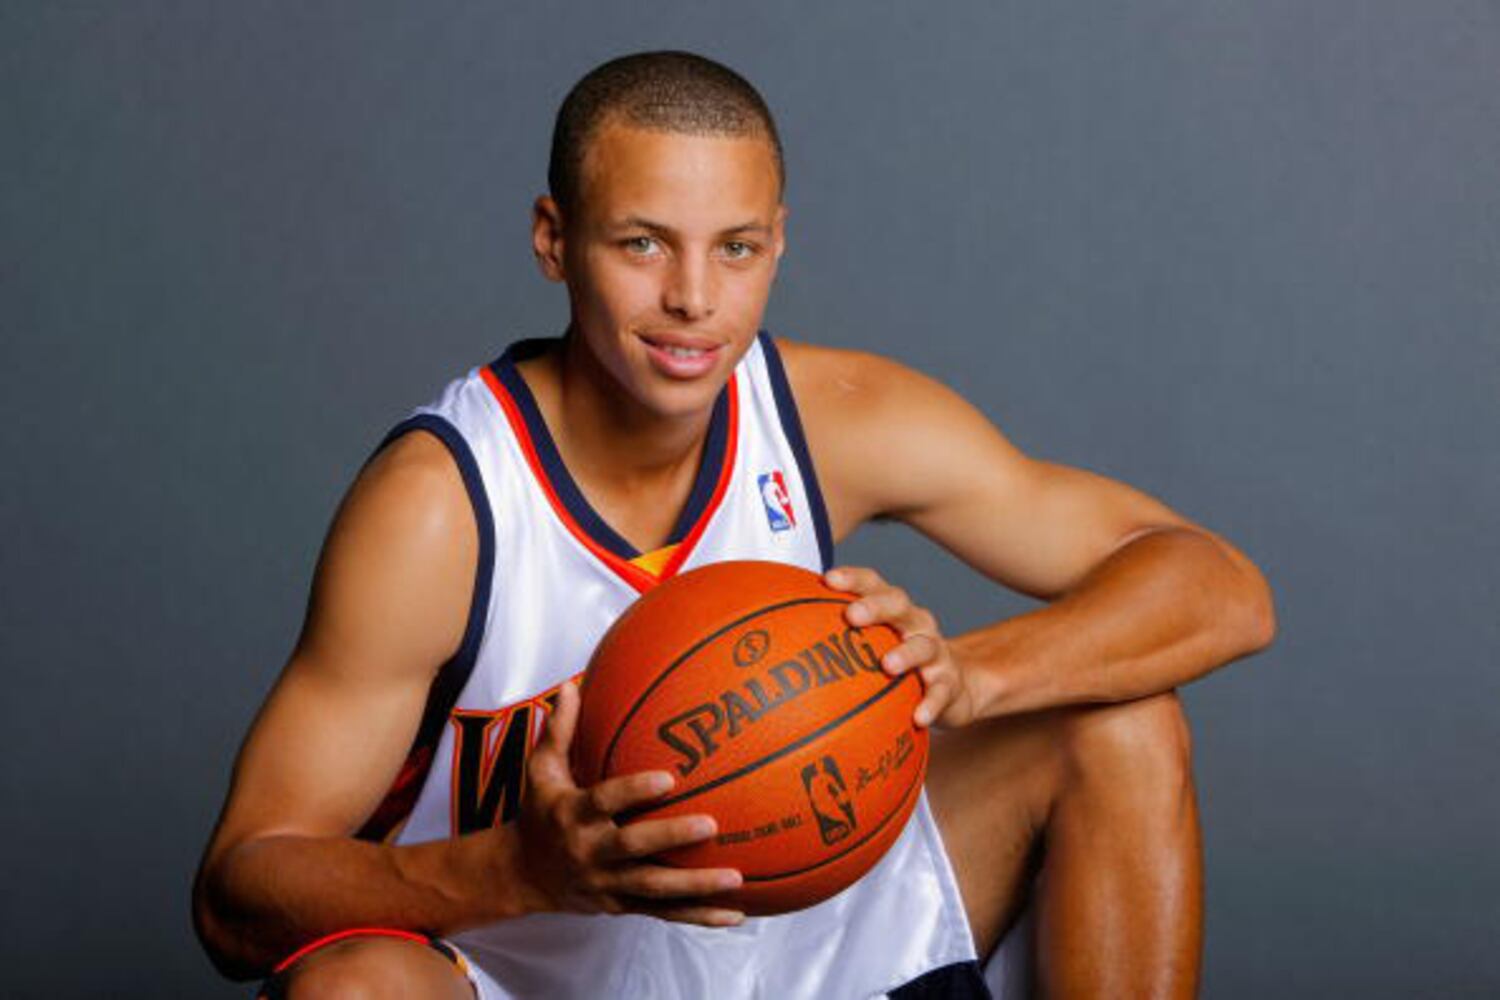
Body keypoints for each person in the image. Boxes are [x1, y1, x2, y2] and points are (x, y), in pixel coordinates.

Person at [193, 51, 1275, 999]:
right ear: (554, 239)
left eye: (737, 248)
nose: (695, 298)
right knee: (352, 989)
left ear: (780, 241)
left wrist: (966, 675)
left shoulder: (832, 417)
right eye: (643, 244)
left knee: (1121, 723)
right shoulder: (444, 506)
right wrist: (516, 869)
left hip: (806, 950)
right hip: (520, 971)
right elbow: (236, 892)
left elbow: (1220, 587)